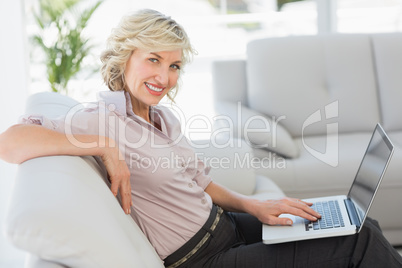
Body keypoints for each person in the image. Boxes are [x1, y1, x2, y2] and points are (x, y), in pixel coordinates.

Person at [0, 9, 401, 268]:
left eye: (174, 65)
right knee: (359, 242)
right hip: (201, 259)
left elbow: (200, 182)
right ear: (125, 59)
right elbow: (10, 141)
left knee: (358, 224)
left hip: (226, 226)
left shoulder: (163, 118)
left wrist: (256, 206)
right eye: (153, 59)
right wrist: (104, 148)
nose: (164, 77)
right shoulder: (100, 120)